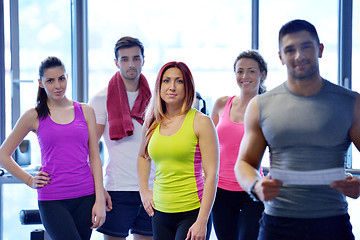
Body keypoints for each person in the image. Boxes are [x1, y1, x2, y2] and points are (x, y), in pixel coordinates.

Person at [234, 19, 360, 240]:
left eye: (306, 47)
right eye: (290, 50)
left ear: (320, 49)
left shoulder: (351, 102)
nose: (298, 55)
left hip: (332, 223)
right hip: (278, 224)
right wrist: (255, 186)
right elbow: (244, 163)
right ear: (281, 57)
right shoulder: (260, 105)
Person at [0, 56, 106, 240]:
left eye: (61, 78)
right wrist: (29, 180)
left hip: (85, 196)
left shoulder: (86, 111)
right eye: (50, 80)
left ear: (67, 77)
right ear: (41, 83)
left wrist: (100, 199)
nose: (57, 85)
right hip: (52, 199)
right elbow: (3, 154)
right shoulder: (33, 116)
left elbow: (95, 158)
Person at [137, 61, 219, 240]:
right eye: (166, 81)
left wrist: (202, 221)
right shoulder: (152, 121)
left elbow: (212, 175)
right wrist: (143, 190)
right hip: (160, 213)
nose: (172, 87)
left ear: (188, 86)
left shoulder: (201, 122)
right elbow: (143, 156)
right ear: (159, 87)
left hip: (192, 212)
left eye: (179, 81)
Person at [89, 36, 155, 240]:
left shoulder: (155, 98)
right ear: (116, 62)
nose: (131, 64)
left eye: (136, 58)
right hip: (117, 189)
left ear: (144, 60)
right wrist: (98, 190)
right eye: (125, 59)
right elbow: (89, 149)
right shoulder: (102, 98)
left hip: (152, 188)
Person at [211, 50, 267, 240]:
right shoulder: (221, 104)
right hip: (220, 191)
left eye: (251, 71)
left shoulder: (267, 109)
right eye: (240, 71)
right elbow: (207, 145)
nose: (245, 76)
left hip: (250, 190)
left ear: (262, 74)